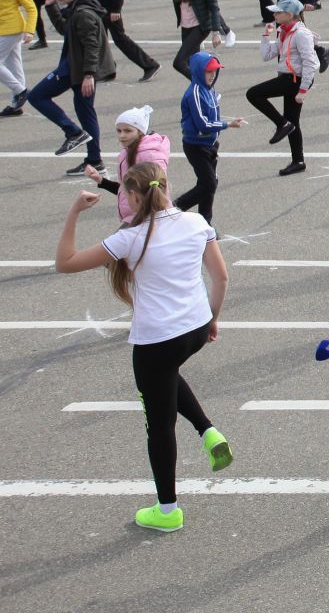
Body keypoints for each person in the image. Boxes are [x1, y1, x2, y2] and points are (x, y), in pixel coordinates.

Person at [52, 169, 232, 532]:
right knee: (167, 375)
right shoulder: (196, 221)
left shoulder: (130, 239)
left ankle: (167, 511)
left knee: (160, 426)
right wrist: (212, 319)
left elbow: (65, 263)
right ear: (167, 187)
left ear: (133, 197)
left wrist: (73, 212)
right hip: (195, 327)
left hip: (157, 340)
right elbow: (221, 276)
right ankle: (207, 430)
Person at [29, 0, 112, 171]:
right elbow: (64, 30)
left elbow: (92, 46)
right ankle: (95, 160)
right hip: (76, 68)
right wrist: (51, 7)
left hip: (77, 69)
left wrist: (89, 75)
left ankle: (73, 132)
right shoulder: (76, 9)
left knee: (36, 96)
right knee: (86, 114)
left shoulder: (83, 14)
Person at [252, 0, 319, 177]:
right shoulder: (283, 31)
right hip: (287, 78)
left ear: (289, 15)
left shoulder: (301, 34)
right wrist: (266, 36)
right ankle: (298, 161)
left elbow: (309, 63)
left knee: (253, 94)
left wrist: (303, 90)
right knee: (293, 121)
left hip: (295, 80)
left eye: (277, 12)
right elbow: (267, 55)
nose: (274, 15)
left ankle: (282, 124)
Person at [176, 52, 242, 222]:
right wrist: (227, 124)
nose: (213, 75)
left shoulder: (210, 90)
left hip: (210, 144)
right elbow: (203, 124)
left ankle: (205, 223)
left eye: (215, 71)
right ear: (198, 71)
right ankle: (175, 208)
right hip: (195, 146)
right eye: (209, 71)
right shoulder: (195, 93)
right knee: (209, 184)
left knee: (209, 184)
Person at [152, 0, 227, 79]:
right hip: (186, 25)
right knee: (192, 62)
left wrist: (216, 32)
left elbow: (214, 8)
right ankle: (200, 89)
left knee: (179, 62)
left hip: (200, 26)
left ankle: (203, 86)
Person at [0, 0, 35, 115]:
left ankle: (20, 91)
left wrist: (30, 30)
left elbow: (31, 8)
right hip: (3, 29)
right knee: (14, 65)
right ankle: (17, 105)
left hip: (12, 29)